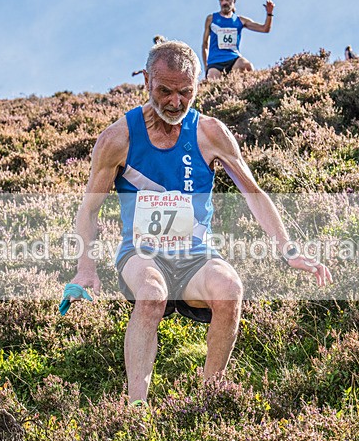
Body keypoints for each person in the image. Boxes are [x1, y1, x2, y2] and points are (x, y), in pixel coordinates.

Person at [69, 40, 332, 402]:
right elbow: (89, 209)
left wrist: (288, 250)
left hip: (196, 255)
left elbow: (252, 192)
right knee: (151, 296)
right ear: (146, 81)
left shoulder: (210, 133)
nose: (175, 102)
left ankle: (210, 396)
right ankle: (134, 412)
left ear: (197, 87)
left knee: (229, 291)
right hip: (141, 254)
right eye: (164, 91)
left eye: (185, 93)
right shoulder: (118, 138)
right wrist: (86, 267)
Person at [201, 0, 274, 80]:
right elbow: (205, 44)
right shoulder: (211, 19)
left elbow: (265, 29)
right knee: (212, 81)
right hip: (215, 63)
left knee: (247, 66)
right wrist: (206, 66)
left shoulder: (240, 20)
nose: (224, 3)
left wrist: (269, 14)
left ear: (233, 1)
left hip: (234, 60)